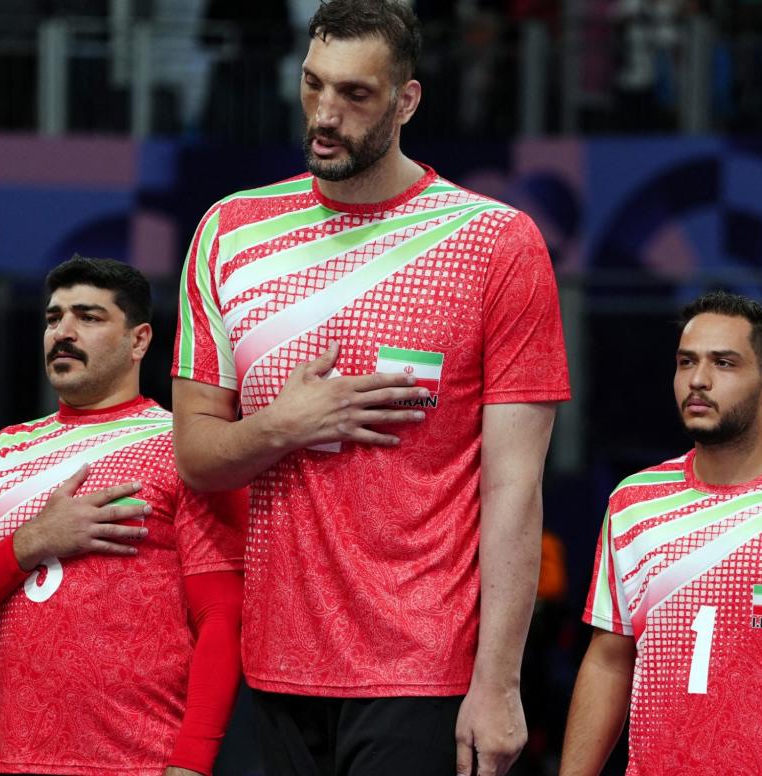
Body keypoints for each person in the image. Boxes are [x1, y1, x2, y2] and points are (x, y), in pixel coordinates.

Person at [169, 1, 570, 774]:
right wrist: (284, 424)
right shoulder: (229, 232)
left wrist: (500, 681)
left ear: (406, 100)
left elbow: (514, 486)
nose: (325, 114)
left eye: (354, 95)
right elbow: (197, 456)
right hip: (278, 661)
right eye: (313, 85)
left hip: (425, 662)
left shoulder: (495, 241)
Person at [0, 256, 246, 776]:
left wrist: (193, 762)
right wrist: (33, 541)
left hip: (147, 764)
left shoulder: (184, 447)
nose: (62, 332)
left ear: (139, 341)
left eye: (88, 317)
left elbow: (222, 617)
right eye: (53, 318)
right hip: (19, 764)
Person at [559, 291, 762, 776]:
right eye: (687, 363)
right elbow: (608, 659)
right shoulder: (633, 501)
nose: (698, 381)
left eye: (724, 363)